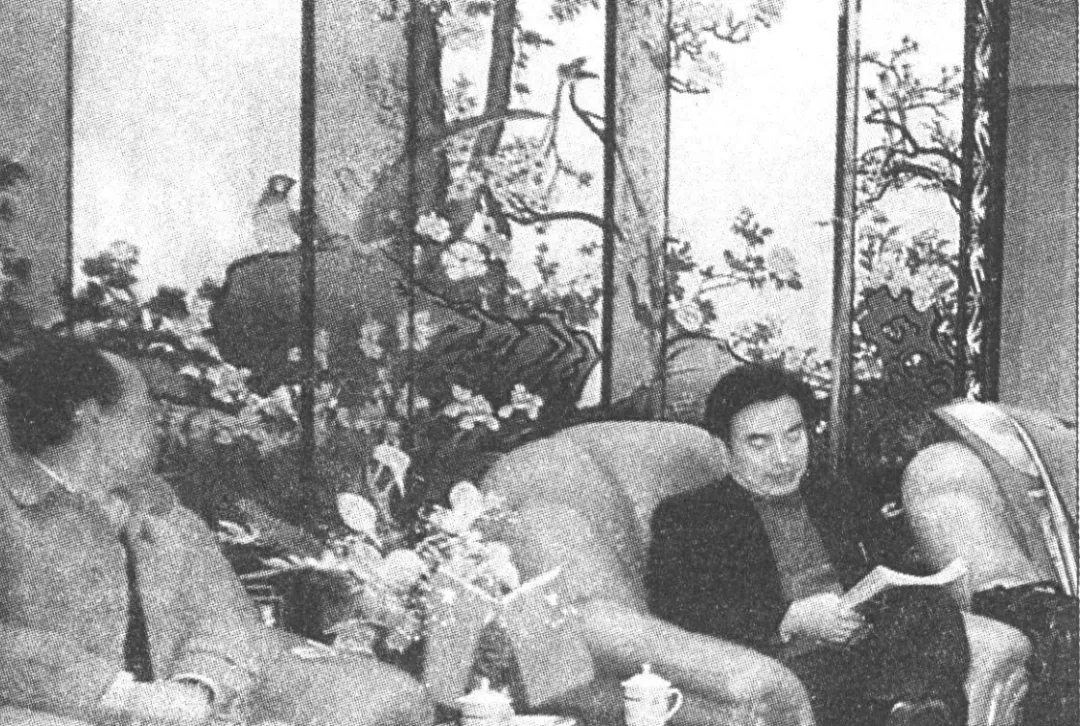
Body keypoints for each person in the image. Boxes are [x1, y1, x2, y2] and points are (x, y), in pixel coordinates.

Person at [0, 335, 434, 726]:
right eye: (145, 412)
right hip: (59, 711)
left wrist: (198, 686)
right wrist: (121, 696)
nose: (156, 428)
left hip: (187, 708)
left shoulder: (164, 513)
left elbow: (227, 616)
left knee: (385, 695)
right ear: (90, 415)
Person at [646, 364, 970, 726]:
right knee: (848, 680)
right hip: (793, 663)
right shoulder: (690, 516)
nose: (783, 458)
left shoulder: (834, 494)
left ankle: (914, 709)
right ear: (724, 448)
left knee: (933, 609)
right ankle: (910, 710)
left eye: (794, 435)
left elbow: (892, 564)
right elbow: (679, 608)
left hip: (868, 645)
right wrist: (788, 618)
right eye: (759, 444)